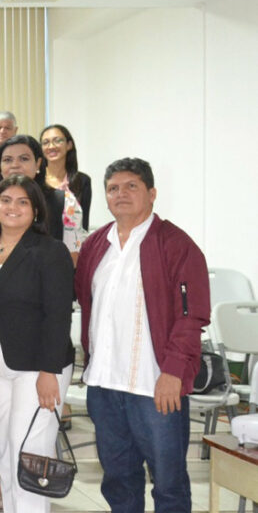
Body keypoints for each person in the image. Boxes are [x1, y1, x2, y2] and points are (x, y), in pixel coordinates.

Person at [74, 158, 209, 513]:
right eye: (113, 188)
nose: (121, 194)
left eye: (131, 186)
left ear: (151, 193)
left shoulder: (175, 244)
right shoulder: (95, 246)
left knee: (168, 484)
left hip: (154, 386)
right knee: (118, 481)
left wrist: (174, 372)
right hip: (104, 385)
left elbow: (190, 315)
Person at [0, 175, 75, 513]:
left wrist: (49, 371)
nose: (13, 208)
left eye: (23, 202)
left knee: (30, 455)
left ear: (36, 211)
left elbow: (58, 315)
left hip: (39, 368)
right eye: (6, 200)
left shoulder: (49, 251)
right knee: (5, 454)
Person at [0, 135, 86, 260]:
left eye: (24, 159)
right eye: (7, 160)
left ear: (38, 163)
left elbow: (73, 259)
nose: (15, 165)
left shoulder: (63, 202)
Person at [40, 125, 92, 231]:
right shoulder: (35, 180)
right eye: (45, 142)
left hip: (72, 245)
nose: (51, 146)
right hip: (39, 244)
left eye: (57, 141)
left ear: (69, 145)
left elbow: (84, 224)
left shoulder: (82, 181)